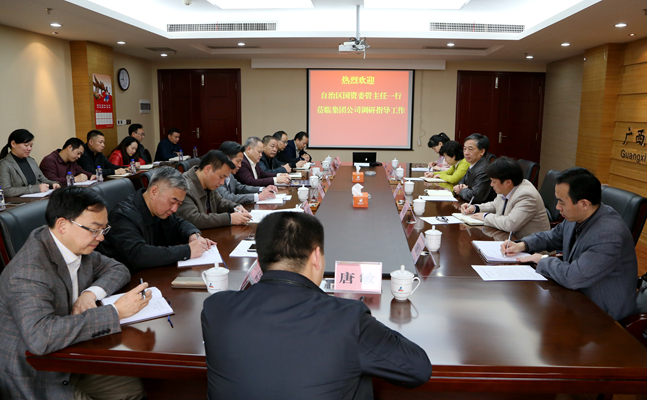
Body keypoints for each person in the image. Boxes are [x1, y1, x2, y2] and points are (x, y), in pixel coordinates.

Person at [202, 212, 432, 400]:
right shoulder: (348, 319)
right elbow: (418, 369)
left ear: (259, 262)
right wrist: (367, 326)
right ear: (316, 257)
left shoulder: (216, 309)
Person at [0, 186, 150, 400]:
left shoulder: (75, 245)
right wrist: (115, 312)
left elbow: (118, 269)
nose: (101, 238)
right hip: (38, 374)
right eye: (94, 229)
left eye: (104, 229)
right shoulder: (28, 271)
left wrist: (90, 293)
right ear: (62, 225)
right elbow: (41, 338)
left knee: (133, 388)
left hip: (72, 355)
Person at [502, 167, 638, 321]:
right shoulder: (578, 216)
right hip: (576, 298)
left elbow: (573, 277)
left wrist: (542, 260)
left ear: (584, 204)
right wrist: (522, 245)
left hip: (603, 316)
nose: (557, 207)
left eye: (561, 202)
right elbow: (552, 237)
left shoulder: (608, 234)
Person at [99, 167, 215, 274]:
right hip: (126, 279)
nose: (174, 209)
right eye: (172, 202)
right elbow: (138, 255)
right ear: (154, 192)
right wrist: (187, 251)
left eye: (179, 204)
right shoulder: (122, 216)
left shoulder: (160, 211)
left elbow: (178, 223)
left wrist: (193, 234)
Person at [460, 157, 550, 239]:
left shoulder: (526, 195)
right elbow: (496, 204)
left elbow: (510, 224)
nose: (491, 185)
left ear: (508, 182)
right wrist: (476, 208)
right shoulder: (507, 187)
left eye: (494, 182)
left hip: (530, 247)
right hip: (509, 240)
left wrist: (485, 217)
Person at [177, 150, 252, 229]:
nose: (222, 183)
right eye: (221, 177)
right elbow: (194, 219)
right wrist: (229, 218)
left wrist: (235, 207)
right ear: (208, 169)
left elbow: (219, 202)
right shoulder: (184, 187)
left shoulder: (208, 183)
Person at [0, 129, 60, 197]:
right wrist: (35, 189)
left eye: (31, 146)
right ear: (13, 144)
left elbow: (42, 179)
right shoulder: (4, 164)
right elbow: (5, 191)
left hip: (37, 199)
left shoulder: (31, 161)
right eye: (26, 145)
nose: (29, 149)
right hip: (18, 202)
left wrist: (53, 184)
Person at [453, 133, 496, 204]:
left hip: (480, 208)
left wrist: (461, 190)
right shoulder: (473, 164)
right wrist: (460, 187)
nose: (466, 153)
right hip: (467, 205)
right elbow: (462, 181)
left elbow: (475, 197)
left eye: (470, 149)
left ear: (482, 151)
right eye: (464, 149)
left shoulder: (484, 169)